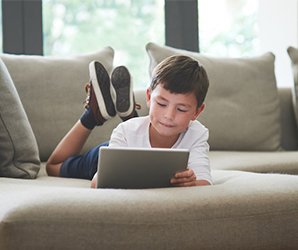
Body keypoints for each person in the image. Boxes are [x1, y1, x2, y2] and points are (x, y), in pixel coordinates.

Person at [46, 55, 212, 188]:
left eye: (181, 109)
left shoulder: (197, 134)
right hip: (110, 152)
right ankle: (92, 114)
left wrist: (191, 183)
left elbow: (204, 183)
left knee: (136, 129)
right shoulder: (125, 132)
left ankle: (132, 116)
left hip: (133, 137)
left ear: (197, 112)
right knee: (53, 166)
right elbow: (97, 183)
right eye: (161, 104)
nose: (169, 115)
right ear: (148, 97)